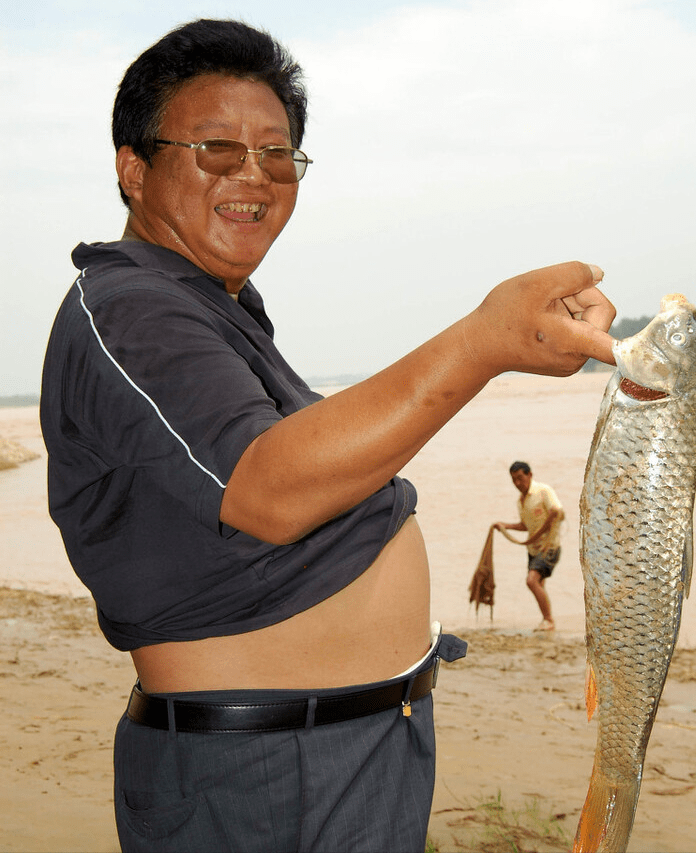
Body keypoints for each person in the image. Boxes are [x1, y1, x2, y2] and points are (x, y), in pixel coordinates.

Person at [39, 18, 615, 853]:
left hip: (350, 746)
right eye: (215, 148)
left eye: (278, 154)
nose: (254, 174)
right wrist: (485, 341)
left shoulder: (216, 308)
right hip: (264, 771)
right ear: (134, 169)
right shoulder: (127, 306)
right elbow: (270, 488)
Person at [493, 461, 564, 631]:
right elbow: (526, 526)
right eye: (514, 480)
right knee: (538, 584)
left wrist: (545, 530)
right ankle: (546, 622)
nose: (517, 483)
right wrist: (505, 526)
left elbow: (557, 512)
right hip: (533, 549)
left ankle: (549, 620)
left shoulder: (543, 491)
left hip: (549, 547)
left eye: (520, 478)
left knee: (531, 581)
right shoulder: (521, 501)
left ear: (529, 475)